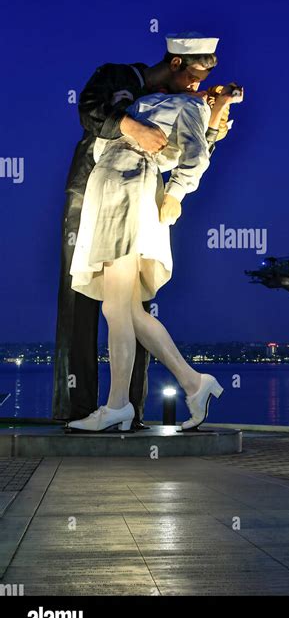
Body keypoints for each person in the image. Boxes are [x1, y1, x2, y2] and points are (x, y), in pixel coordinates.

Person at [53, 32, 233, 429]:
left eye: (204, 83)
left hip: (128, 188)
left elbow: (196, 157)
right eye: (194, 77)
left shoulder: (188, 104)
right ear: (175, 64)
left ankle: (119, 404)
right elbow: (93, 113)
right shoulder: (141, 93)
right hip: (110, 186)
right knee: (125, 308)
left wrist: (177, 195)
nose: (197, 86)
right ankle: (193, 382)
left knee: (116, 305)